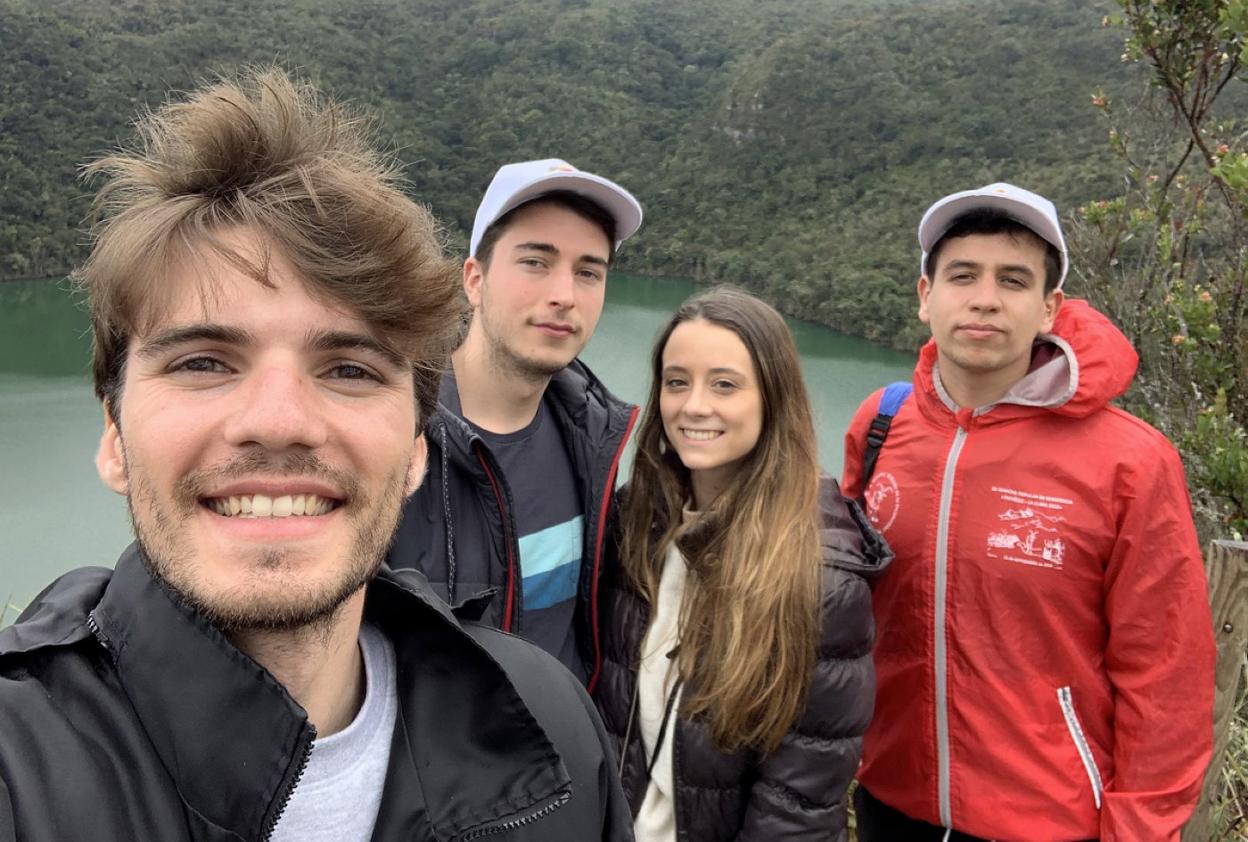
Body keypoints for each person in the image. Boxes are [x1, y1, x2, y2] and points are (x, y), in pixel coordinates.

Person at [0, 69, 631, 842]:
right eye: (202, 362)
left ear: (413, 450)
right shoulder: (21, 762)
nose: (278, 421)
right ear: (114, 437)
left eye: (349, 370)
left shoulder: (555, 734)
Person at [842, 183, 1215, 841]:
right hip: (889, 802)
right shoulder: (882, 424)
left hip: (1052, 819)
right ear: (926, 296)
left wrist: (1140, 830)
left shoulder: (1129, 461)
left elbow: (1167, 675)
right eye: (963, 276)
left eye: (1012, 280)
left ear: (1049, 308)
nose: (986, 297)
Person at [594, 286, 890, 841]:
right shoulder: (639, 523)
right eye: (677, 382)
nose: (694, 406)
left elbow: (798, 805)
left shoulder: (817, 575)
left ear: (772, 398)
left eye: (725, 385)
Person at [389, 158, 643, 689]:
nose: (564, 295)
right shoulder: (391, 440)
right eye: (535, 262)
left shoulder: (591, 441)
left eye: (588, 272)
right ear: (475, 280)